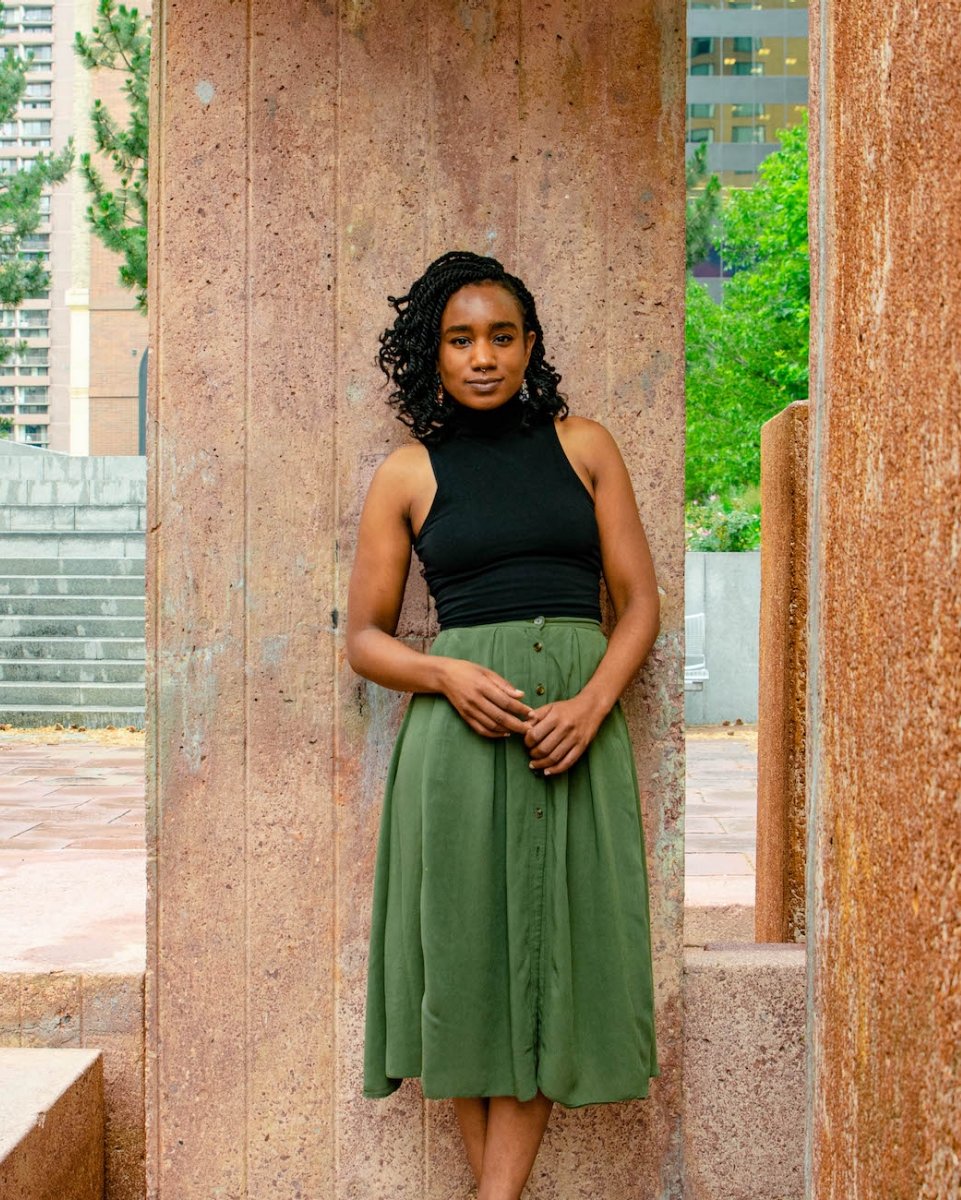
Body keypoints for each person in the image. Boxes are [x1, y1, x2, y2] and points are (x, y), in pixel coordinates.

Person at [345, 250, 660, 1200]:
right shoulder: (406, 472)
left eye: (501, 336)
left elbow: (639, 604)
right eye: (459, 339)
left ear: (529, 346)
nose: (482, 356)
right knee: (472, 972)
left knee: (553, 959)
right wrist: (442, 673)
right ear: (430, 354)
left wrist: (592, 703)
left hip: (571, 736)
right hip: (458, 748)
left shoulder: (587, 446)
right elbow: (363, 636)